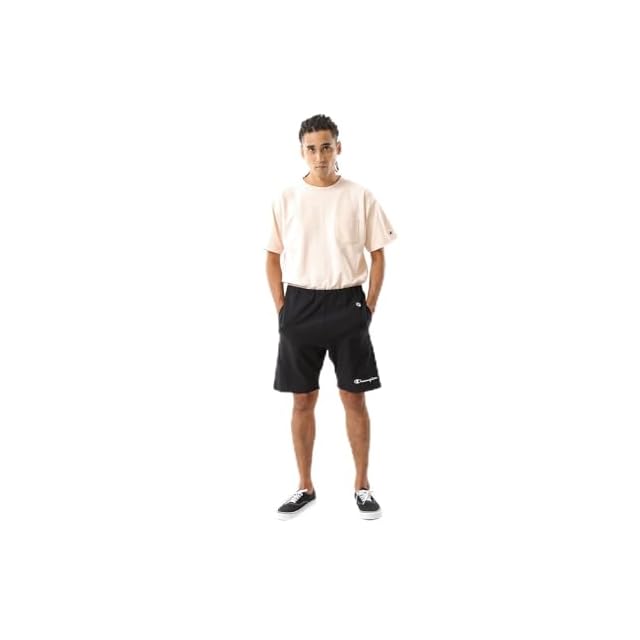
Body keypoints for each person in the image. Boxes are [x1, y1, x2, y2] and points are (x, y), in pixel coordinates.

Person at [265, 114, 397, 520]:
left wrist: (369, 307)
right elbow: (272, 256)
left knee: (353, 398)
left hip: (347, 305)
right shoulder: (287, 198)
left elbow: (378, 255)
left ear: (338, 147)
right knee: (302, 400)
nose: (319, 155)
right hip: (300, 305)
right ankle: (304, 486)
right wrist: (283, 310)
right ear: (301, 152)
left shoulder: (359, 196)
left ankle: (362, 486)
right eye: (311, 149)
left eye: (326, 147)